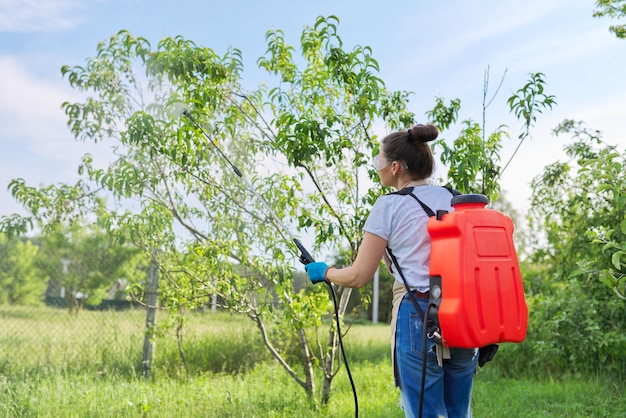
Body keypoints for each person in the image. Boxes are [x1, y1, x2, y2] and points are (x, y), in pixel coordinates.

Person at [304, 124, 477, 418]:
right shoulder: (454, 198)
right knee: (459, 412)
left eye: (379, 162)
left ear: (395, 167)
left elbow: (359, 276)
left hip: (420, 316)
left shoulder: (389, 206)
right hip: (464, 314)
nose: (377, 168)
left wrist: (325, 272)